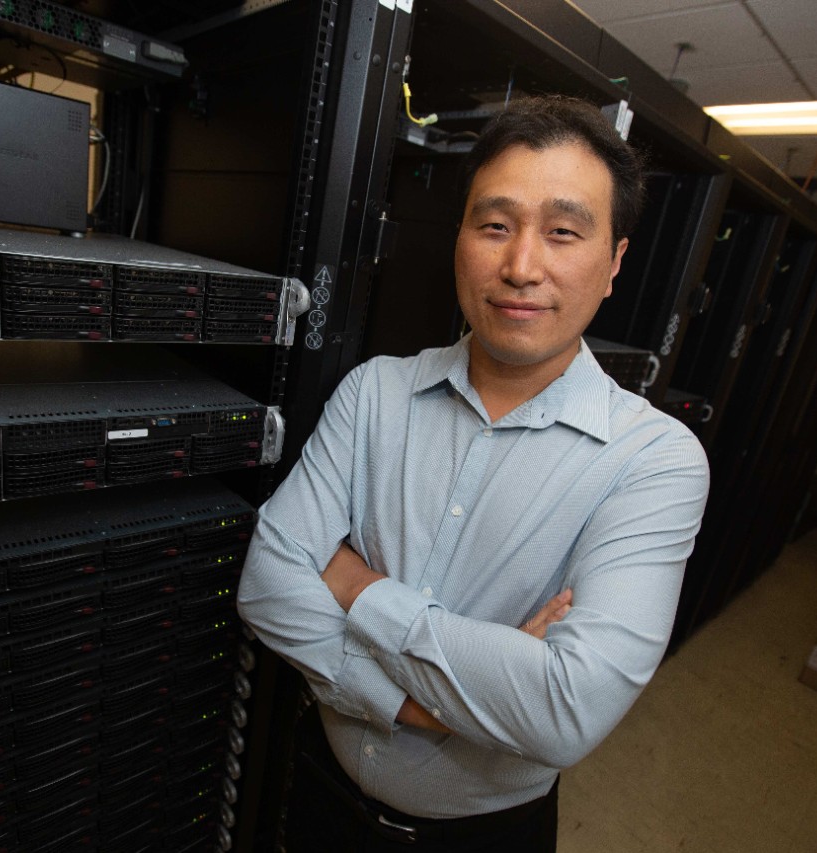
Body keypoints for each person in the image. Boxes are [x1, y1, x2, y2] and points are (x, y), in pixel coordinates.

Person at [236, 93, 710, 852]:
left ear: (615, 261)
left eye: (563, 232)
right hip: (318, 791)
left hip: (486, 836)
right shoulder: (374, 393)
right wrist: (432, 702)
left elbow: (564, 709)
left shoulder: (653, 461)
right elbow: (267, 581)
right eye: (494, 225)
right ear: (460, 237)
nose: (521, 266)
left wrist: (356, 586)